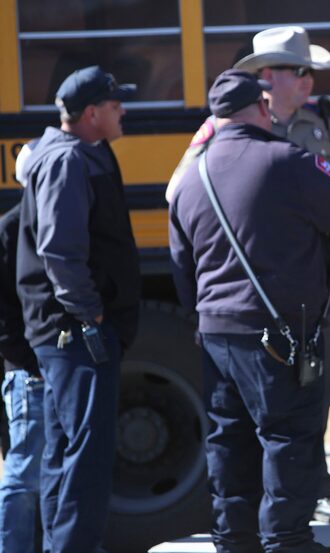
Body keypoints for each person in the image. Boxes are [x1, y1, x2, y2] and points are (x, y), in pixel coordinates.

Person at [168, 25, 330, 524]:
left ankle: (311, 491)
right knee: (267, 430)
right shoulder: (217, 133)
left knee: (300, 411)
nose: (309, 83)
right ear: (266, 79)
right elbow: (180, 197)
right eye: (300, 72)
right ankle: (282, 530)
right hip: (258, 311)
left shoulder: (319, 124)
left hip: (306, 296)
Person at [16, 65, 140, 553]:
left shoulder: (83, 153)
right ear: (92, 113)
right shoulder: (67, 161)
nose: (123, 111)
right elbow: (60, 251)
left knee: (66, 450)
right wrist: (90, 314)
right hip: (74, 334)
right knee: (83, 454)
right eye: (114, 105)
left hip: (69, 332)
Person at [0, 202, 45, 553]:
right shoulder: (14, 227)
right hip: (29, 370)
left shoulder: (20, 224)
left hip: (32, 365)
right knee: (25, 471)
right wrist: (28, 361)